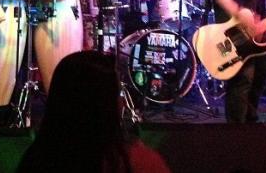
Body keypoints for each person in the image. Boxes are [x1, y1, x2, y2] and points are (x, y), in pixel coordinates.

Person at [16, 50, 171, 173]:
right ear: (107, 104)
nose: (123, 102)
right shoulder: (139, 162)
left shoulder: (34, 160)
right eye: (118, 94)